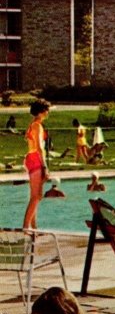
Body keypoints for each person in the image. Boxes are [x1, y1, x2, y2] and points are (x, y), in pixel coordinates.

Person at [23, 98, 51, 229]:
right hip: (36, 159)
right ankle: (26, 227)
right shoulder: (37, 126)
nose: (48, 113)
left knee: (36, 195)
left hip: (31, 159)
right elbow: (39, 147)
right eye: (46, 111)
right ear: (41, 112)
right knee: (36, 196)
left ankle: (33, 226)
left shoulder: (32, 125)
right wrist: (45, 166)